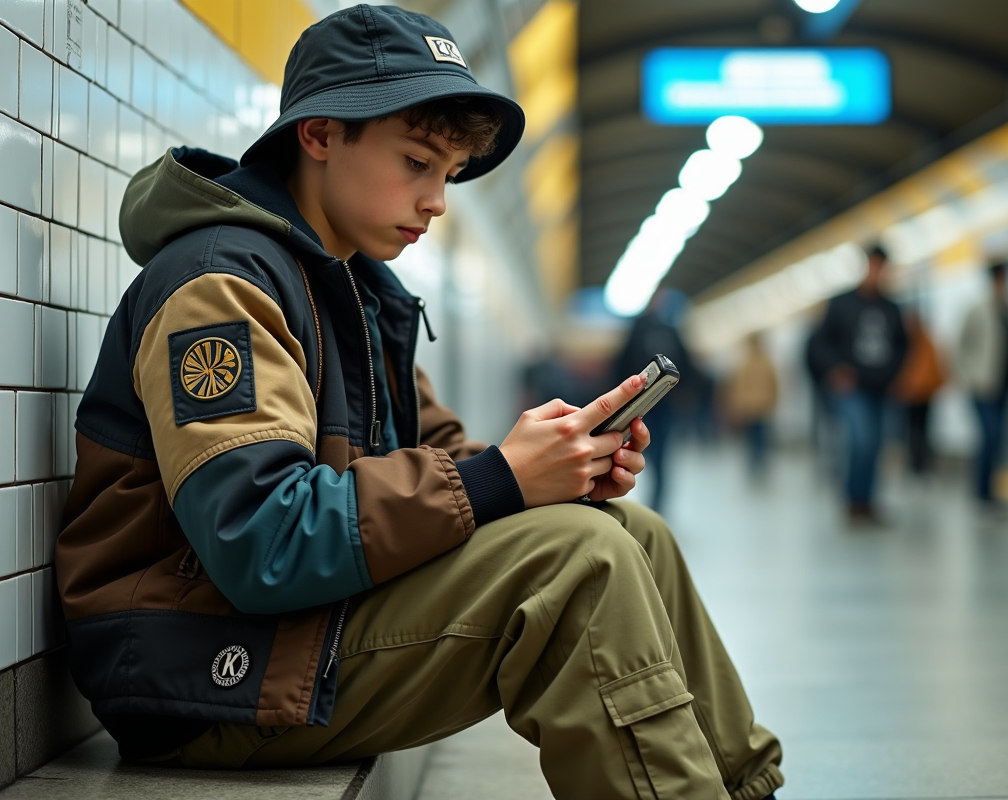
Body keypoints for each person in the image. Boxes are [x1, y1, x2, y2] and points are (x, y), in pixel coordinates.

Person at [54, 8, 784, 800]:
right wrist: (502, 479)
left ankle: (745, 791)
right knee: (581, 563)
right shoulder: (221, 287)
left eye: (448, 173)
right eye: (416, 162)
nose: (437, 200)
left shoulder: (359, 293)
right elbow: (261, 539)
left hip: (295, 629)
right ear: (322, 133)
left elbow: (446, 463)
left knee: (627, 531)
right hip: (198, 672)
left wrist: (560, 466)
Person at [808, 244, 908, 522]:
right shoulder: (841, 303)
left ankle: (867, 501)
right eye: (874, 266)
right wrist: (834, 370)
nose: (878, 273)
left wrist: (896, 376)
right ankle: (853, 500)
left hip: (882, 387)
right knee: (861, 438)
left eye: (883, 267)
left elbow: (903, 346)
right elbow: (819, 343)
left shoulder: (892, 308)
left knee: (876, 444)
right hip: (850, 387)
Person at [955, 263, 1008, 511]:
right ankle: (981, 491)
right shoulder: (977, 311)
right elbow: (961, 347)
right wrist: (969, 377)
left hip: (1005, 387)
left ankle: (991, 490)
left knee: (1000, 439)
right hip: (982, 387)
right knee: (991, 435)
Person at [612, 290, 698, 512]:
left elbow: (684, 366)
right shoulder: (651, 329)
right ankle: (649, 500)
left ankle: (657, 503)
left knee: (658, 455)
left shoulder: (661, 329)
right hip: (645, 405)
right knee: (645, 452)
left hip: (658, 405)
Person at [891, 310, 946, 475]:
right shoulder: (908, 342)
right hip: (912, 395)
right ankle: (915, 465)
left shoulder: (922, 342)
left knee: (919, 431)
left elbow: (933, 369)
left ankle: (919, 466)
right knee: (914, 431)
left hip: (922, 395)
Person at [723, 333, 780, 477]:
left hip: (749, 405)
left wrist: (736, 404)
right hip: (763, 404)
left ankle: (754, 461)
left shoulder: (745, 362)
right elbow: (774, 384)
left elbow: (738, 385)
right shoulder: (767, 361)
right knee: (761, 435)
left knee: (752, 436)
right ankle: (760, 460)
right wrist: (774, 400)